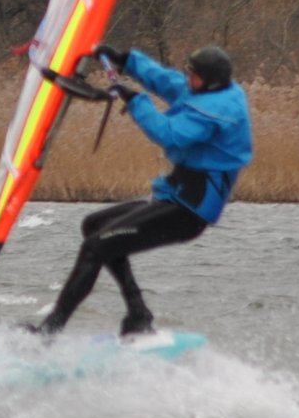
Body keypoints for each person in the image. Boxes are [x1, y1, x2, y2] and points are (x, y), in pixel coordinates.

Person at [27, 43, 253, 338]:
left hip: (187, 213)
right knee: (95, 226)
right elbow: (166, 80)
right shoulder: (209, 92)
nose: (188, 80)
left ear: (209, 80)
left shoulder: (217, 112)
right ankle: (138, 313)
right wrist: (126, 60)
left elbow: (168, 133)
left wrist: (136, 101)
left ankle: (49, 331)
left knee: (96, 246)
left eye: (193, 76)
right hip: (174, 200)